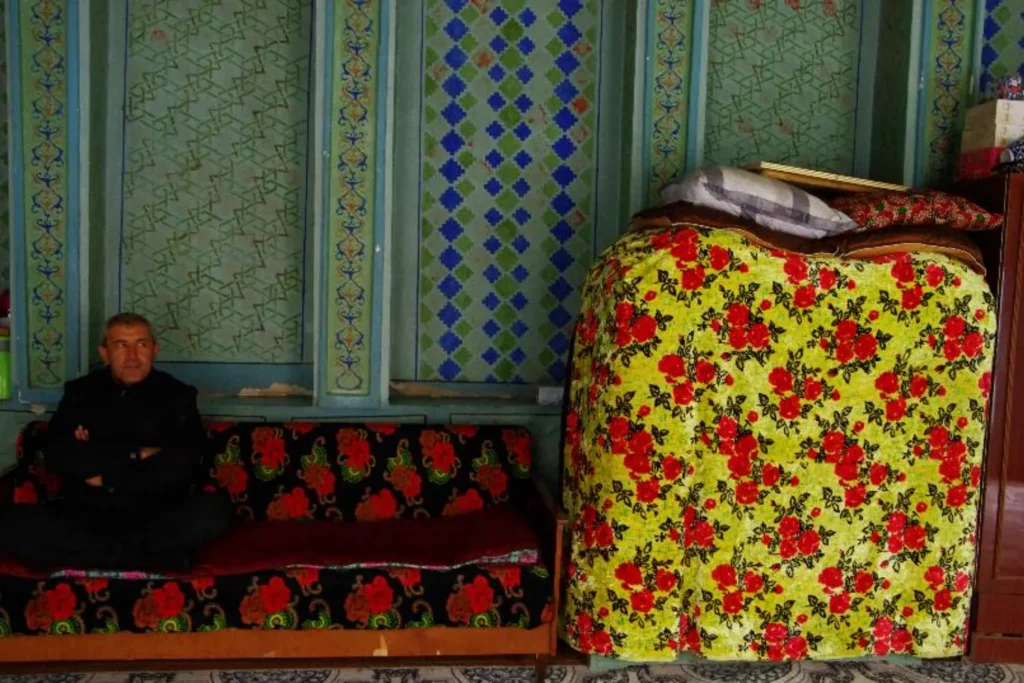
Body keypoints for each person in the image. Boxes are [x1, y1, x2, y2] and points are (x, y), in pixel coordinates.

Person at [0, 313, 233, 573]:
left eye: (141, 344)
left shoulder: (177, 394)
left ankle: (93, 558)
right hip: (86, 514)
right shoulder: (81, 392)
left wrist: (105, 474)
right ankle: (144, 559)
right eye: (121, 345)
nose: (133, 356)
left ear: (154, 349)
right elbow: (59, 455)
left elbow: (181, 463)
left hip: (154, 513)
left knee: (214, 511)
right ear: (104, 353)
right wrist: (137, 453)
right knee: (11, 522)